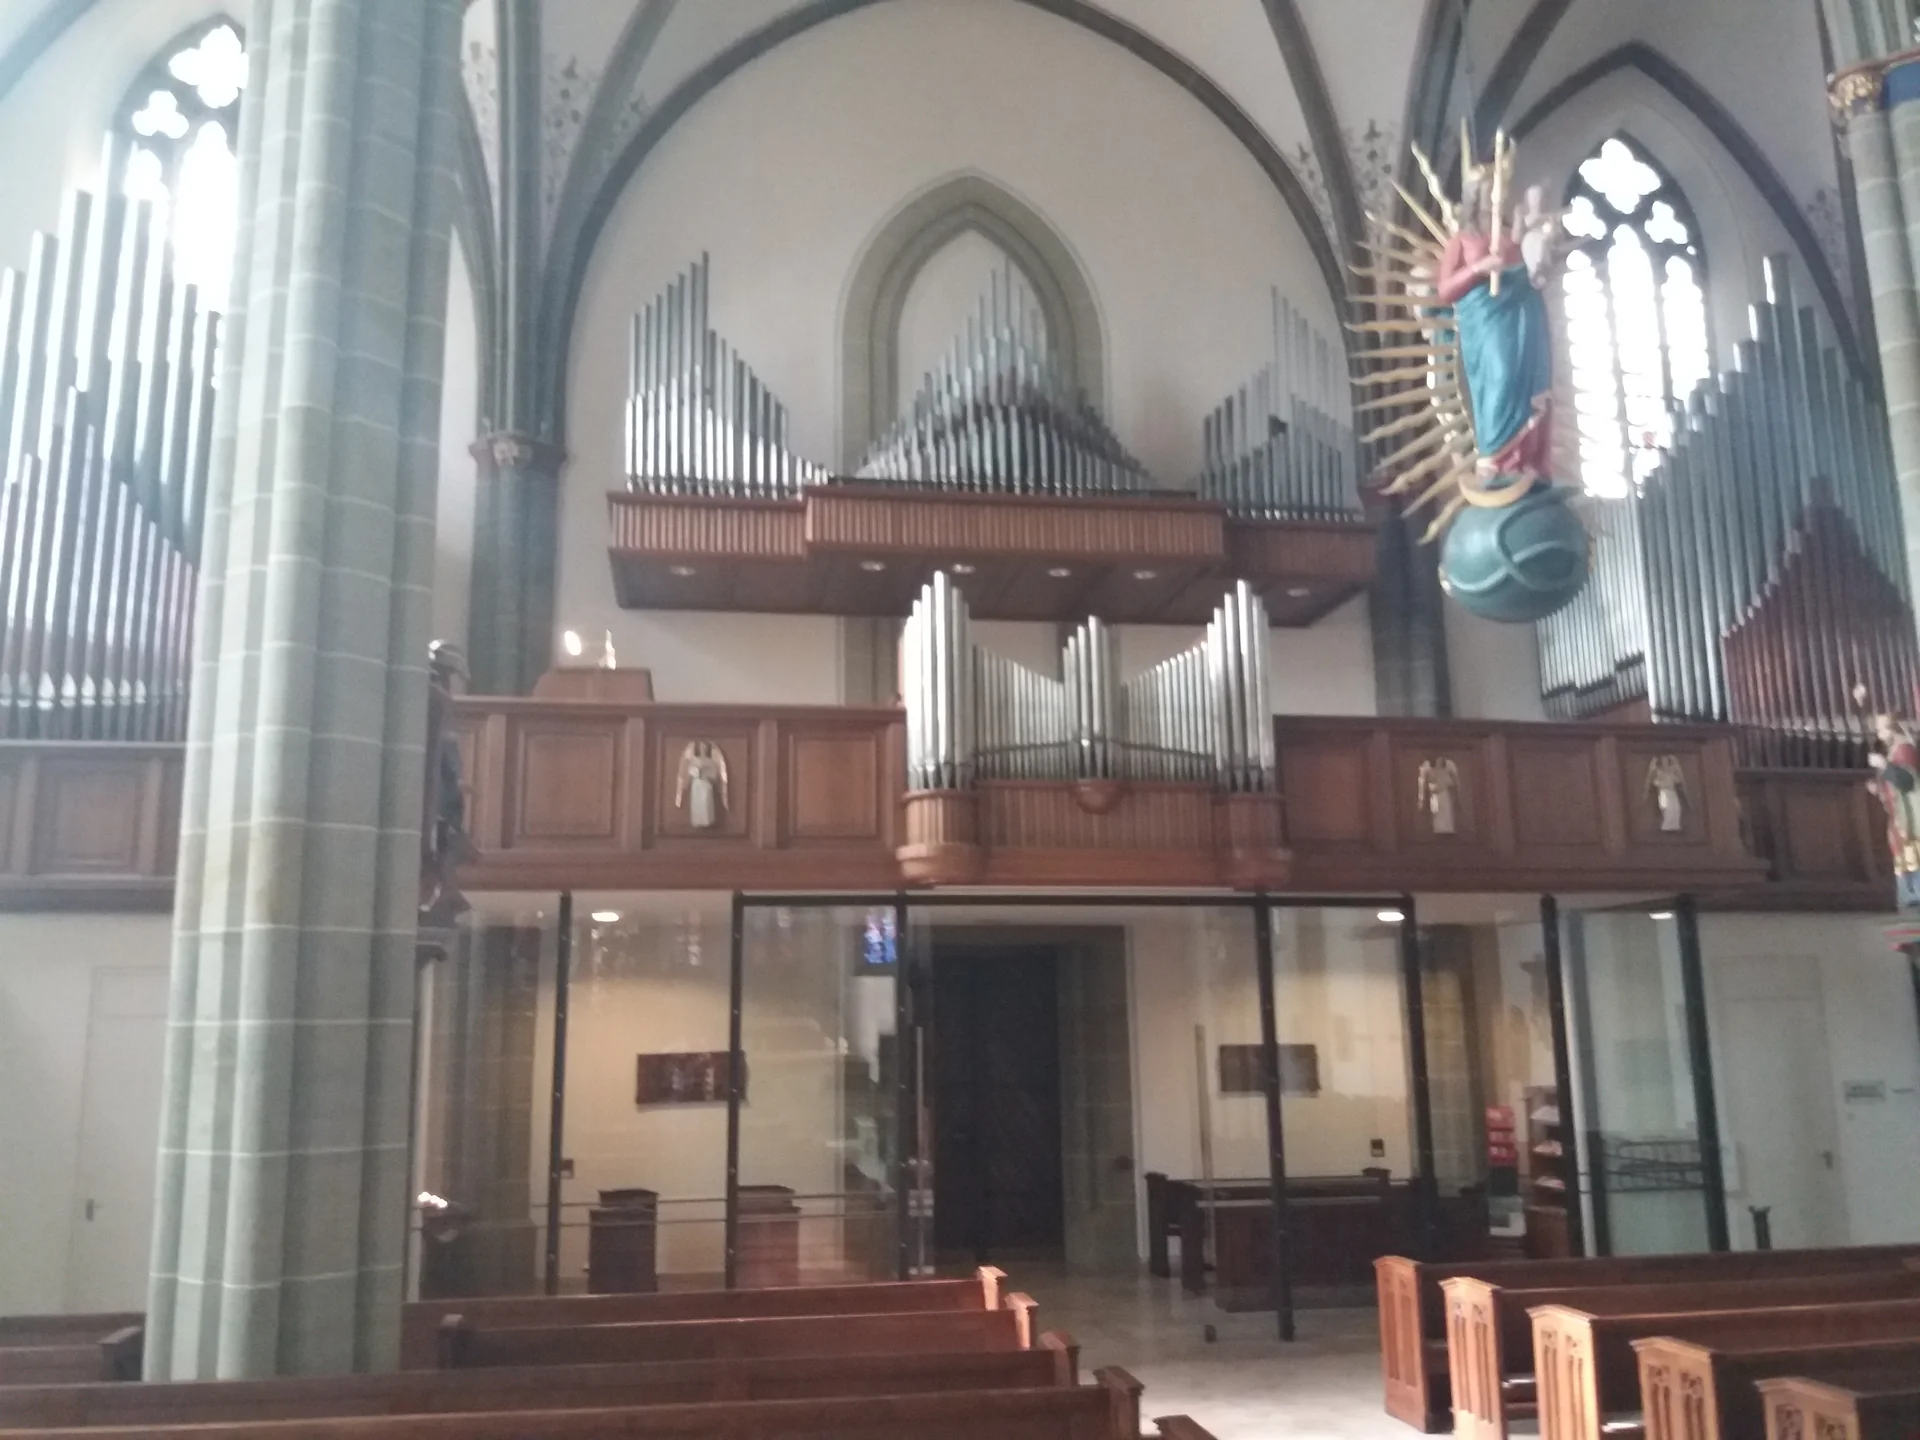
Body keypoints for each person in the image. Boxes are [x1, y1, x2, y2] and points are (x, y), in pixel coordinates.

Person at [1434, 172, 1558, 490]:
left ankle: (1525, 460)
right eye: (1490, 192)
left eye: (1499, 192)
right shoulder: (1461, 240)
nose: (1496, 199)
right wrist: (1477, 269)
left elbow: (1527, 273)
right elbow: (1445, 290)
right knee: (1500, 379)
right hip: (1486, 321)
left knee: (1523, 382)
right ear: (1476, 197)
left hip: (1520, 316)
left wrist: (1535, 272)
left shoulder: (1508, 237)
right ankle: (1495, 458)